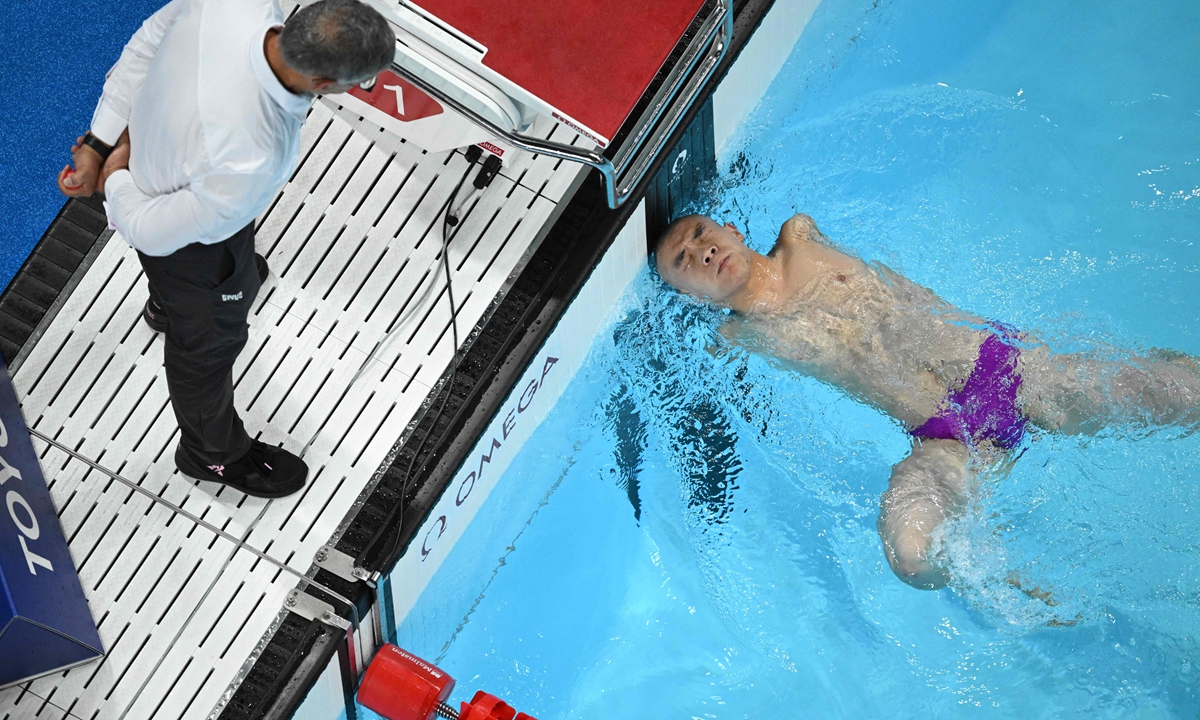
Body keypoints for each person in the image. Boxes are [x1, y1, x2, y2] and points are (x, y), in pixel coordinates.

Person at [654, 213, 1200, 590]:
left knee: (1184, 394)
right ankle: (987, 577)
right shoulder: (736, 337)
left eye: (702, 234)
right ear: (688, 295)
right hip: (945, 442)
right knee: (912, 555)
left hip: (1011, 371)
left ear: (731, 228)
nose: (701, 250)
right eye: (685, 260)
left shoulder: (800, 236)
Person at [57, 0, 396, 498]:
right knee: (208, 349)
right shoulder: (254, 155)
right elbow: (151, 232)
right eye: (360, 82)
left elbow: (150, 39)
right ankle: (212, 455)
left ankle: (169, 306)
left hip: (178, 183)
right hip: (175, 233)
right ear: (324, 84)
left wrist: (102, 141)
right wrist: (115, 178)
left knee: (229, 267)